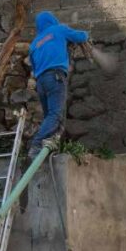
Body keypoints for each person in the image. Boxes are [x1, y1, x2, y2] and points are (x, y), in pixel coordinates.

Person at [27, 11, 89, 159]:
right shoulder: (58, 29)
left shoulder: (34, 44)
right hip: (55, 77)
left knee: (50, 116)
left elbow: (34, 66)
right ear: (52, 20)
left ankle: (50, 147)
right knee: (55, 114)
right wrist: (87, 35)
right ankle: (36, 145)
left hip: (40, 82)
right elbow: (80, 36)